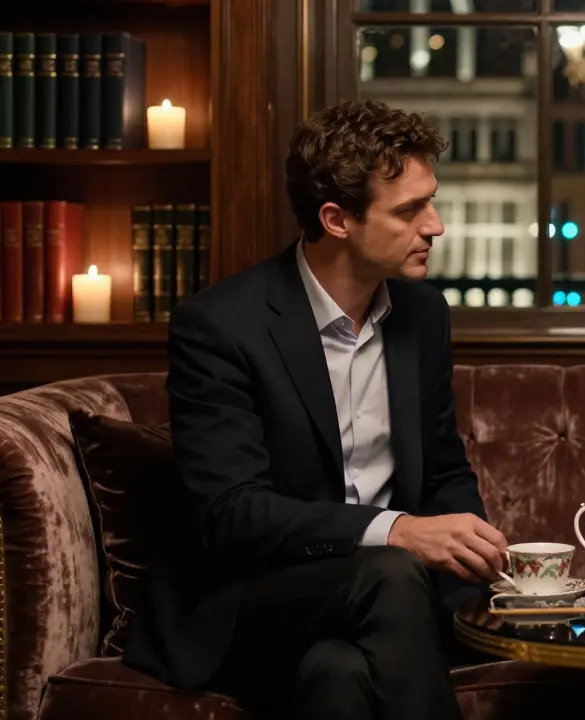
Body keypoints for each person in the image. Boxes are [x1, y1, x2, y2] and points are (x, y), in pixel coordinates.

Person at [122, 99, 506, 720]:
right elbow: (232, 514)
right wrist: (397, 532)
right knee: (388, 572)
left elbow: (443, 470)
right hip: (256, 596)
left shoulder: (422, 314)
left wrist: (480, 564)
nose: (434, 226)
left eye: (431, 201)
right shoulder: (221, 325)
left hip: (386, 606)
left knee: (338, 673)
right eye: (410, 210)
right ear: (336, 219)